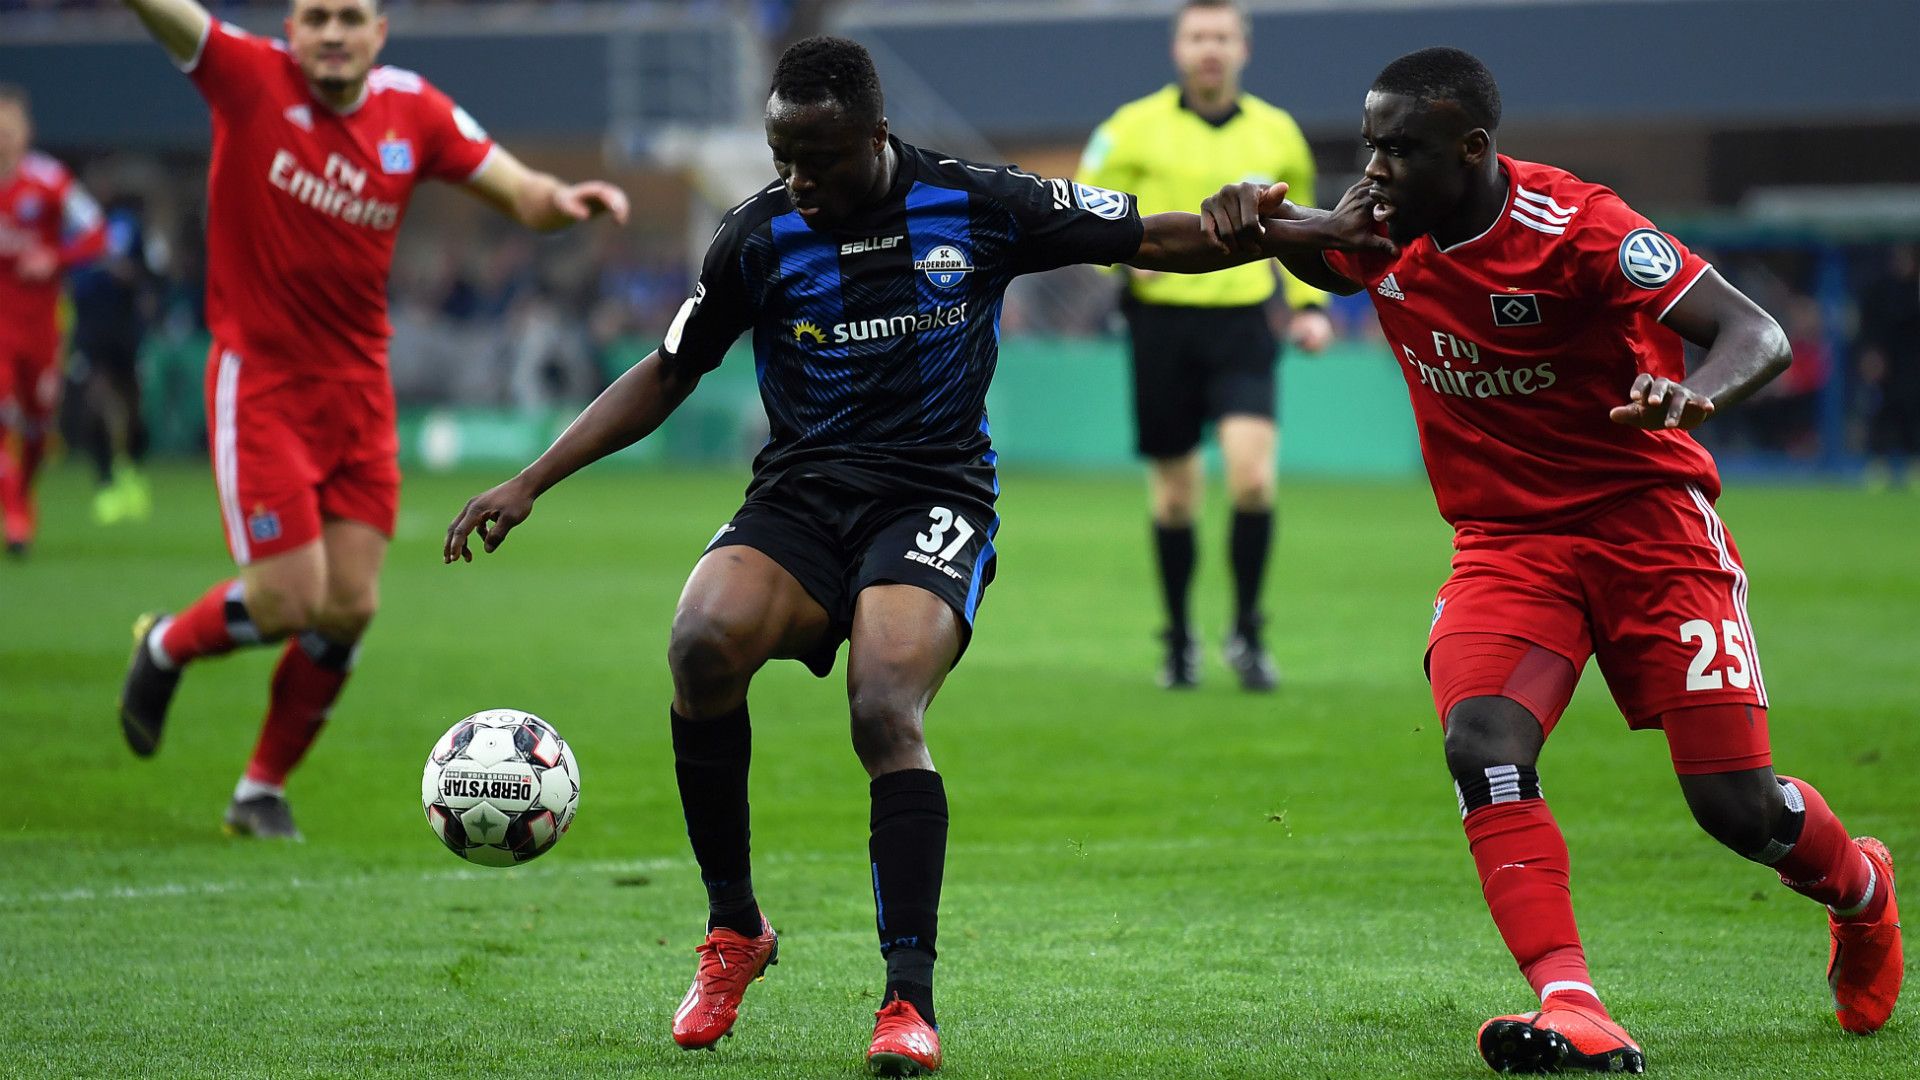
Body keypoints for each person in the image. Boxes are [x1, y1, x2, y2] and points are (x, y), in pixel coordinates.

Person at [444, 35, 1387, 1077]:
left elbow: (1155, 237)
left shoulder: (977, 203)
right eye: (781, 156)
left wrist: (1298, 230)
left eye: (818, 158)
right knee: (702, 641)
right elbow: (668, 371)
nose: (797, 181)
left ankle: (906, 1000)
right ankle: (734, 931)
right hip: (801, 497)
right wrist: (530, 478)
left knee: (884, 702)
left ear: (876, 137)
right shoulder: (755, 238)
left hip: (934, 495)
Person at [1206, 46, 1901, 1075]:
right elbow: (1328, 259)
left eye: (1400, 148)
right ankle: (1571, 1001)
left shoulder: (1580, 228)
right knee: (1480, 740)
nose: (1374, 167)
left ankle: (1861, 890)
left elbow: (1753, 331)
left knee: (1734, 808)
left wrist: (1697, 393)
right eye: (1368, 144)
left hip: (1651, 528)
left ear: (1472, 150)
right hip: (1507, 544)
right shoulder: (1383, 219)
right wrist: (1264, 222)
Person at [114, 0, 628, 840]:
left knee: (349, 605)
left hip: (358, 392)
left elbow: (519, 190)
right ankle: (168, 645)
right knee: (287, 599)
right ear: (291, 29)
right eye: (315, 17)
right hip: (263, 383)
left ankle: (258, 791)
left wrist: (566, 201)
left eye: (350, 17)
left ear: (378, 32)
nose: (333, 33)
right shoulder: (245, 76)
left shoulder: (411, 108)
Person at [1078, 0, 1330, 691]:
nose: (1209, 47)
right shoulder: (1130, 128)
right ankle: (1180, 638)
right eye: (1197, 36)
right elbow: (1082, 210)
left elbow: (1303, 227)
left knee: (1252, 479)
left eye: (1222, 35)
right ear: (1177, 48)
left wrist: (1309, 308)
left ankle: (1247, 633)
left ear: (1244, 47)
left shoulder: (1279, 133)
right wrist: (1127, 257)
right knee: (1176, 500)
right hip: (1161, 327)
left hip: (1246, 322)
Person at [0, 84, 107, 558]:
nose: (2, 138)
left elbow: (98, 234)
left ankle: (23, 494)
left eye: (9, 129)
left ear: (26, 133)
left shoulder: (50, 182)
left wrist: (56, 257)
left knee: (40, 427)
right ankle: (16, 517)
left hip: (42, 325)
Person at [67, 189, 163, 526]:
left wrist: (135, 281)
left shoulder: (126, 225)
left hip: (124, 329)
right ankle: (105, 482)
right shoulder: (68, 225)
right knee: (94, 403)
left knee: (133, 405)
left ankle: (133, 471)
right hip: (90, 329)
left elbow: (149, 272)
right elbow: (66, 269)